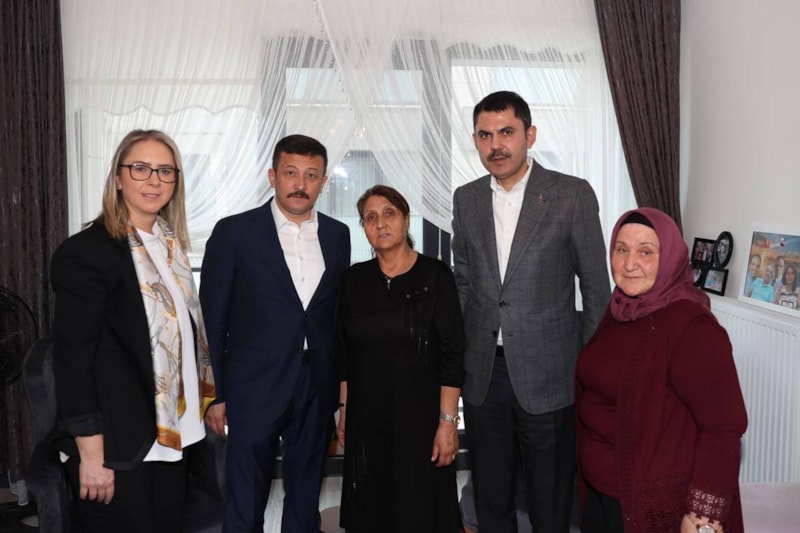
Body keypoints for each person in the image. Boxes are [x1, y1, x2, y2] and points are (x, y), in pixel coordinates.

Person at [451, 90, 610, 532]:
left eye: (506, 132)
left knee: (550, 505)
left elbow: (596, 290)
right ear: (475, 140)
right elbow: (463, 283)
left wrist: (589, 371)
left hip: (551, 377)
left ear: (530, 135)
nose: (496, 145)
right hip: (484, 377)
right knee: (491, 501)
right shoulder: (466, 199)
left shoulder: (570, 195)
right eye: (485, 135)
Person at [51, 129, 216, 532]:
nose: (154, 180)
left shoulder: (170, 247)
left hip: (173, 437)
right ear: (118, 178)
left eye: (165, 171)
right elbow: (73, 362)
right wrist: (92, 456)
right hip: (119, 446)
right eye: (140, 168)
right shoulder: (87, 252)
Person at [200, 134, 351, 532]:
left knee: (305, 499)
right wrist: (214, 395)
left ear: (323, 182)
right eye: (290, 173)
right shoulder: (234, 232)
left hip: (316, 388)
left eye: (311, 175)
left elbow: (335, 318)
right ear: (273, 176)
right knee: (245, 501)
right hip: (252, 387)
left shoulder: (338, 235)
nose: (300, 184)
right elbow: (211, 320)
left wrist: (340, 393)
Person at [575, 207, 748, 533]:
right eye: (621, 249)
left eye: (645, 252)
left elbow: (724, 428)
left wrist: (702, 517)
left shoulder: (692, 327)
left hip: (649, 508)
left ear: (669, 257)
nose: (629, 263)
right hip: (601, 496)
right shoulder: (621, 308)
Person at [336, 185, 464, 532]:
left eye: (389, 213)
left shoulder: (436, 276)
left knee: (420, 512)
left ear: (407, 220)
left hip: (421, 421)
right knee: (372, 512)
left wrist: (447, 422)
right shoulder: (353, 281)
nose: (380, 223)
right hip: (366, 422)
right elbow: (345, 355)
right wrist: (345, 411)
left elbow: (452, 357)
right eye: (370, 217)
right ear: (364, 228)